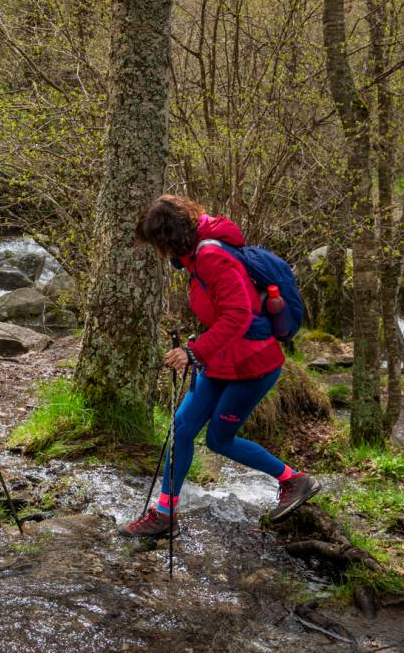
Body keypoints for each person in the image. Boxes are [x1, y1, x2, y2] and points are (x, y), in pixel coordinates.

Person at [123, 194, 320, 538]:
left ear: (169, 239)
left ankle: (294, 480)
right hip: (221, 359)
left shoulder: (212, 256)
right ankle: (165, 514)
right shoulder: (196, 254)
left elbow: (239, 315)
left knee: (220, 440)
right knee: (182, 427)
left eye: (159, 244)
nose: (161, 253)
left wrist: (193, 351)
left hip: (252, 363)